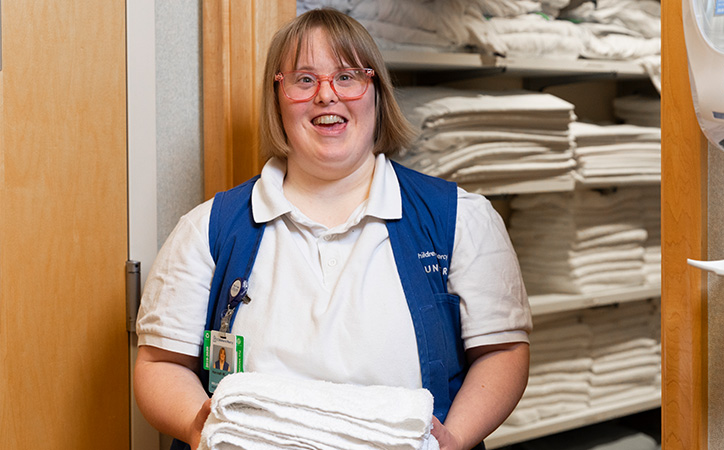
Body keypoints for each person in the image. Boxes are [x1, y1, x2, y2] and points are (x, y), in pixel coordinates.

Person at [134, 8, 532, 450]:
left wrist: (454, 441)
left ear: (376, 92)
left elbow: (502, 351)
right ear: (277, 96)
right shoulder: (208, 229)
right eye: (304, 80)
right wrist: (202, 430)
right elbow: (159, 363)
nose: (327, 95)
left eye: (347, 77)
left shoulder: (460, 218)